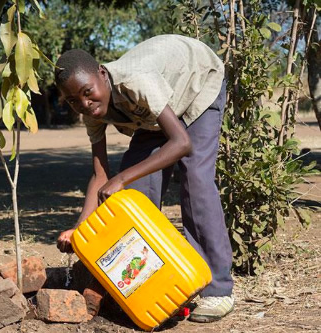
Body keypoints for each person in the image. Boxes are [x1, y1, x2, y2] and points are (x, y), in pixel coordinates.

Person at [54, 34, 234, 323]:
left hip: (198, 82)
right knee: (134, 191)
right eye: (74, 101)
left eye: (88, 92)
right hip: (156, 111)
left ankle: (218, 289)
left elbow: (181, 143)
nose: (85, 104)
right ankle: (148, 283)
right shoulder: (92, 113)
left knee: (195, 180)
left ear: (102, 73)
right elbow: (100, 174)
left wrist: (122, 177)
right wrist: (79, 229)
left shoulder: (136, 80)